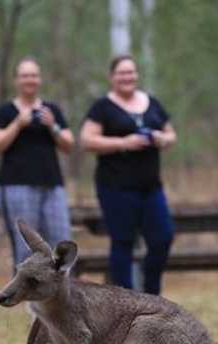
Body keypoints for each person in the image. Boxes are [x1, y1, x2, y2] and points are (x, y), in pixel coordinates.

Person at [80, 54, 177, 295]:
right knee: (122, 242)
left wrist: (160, 138)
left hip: (151, 187)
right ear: (112, 77)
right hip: (116, 187)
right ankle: (124, 299)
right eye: (122, 73)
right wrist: (124, 142)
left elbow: (171, 135)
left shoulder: (151, 102)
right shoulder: (102, 107)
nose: (127, 77)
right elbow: (87, 140)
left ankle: (151, 294)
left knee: (163, 237)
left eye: (131, 72)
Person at [0, 57, 75, 269]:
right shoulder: (6, 111)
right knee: (26, 246)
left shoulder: (50, 110)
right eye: (25, 75)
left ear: (40, 79)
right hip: (17, 186)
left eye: (34, 75)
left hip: (52, 185)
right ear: (16, 80)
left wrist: (52, 126)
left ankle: (59, 299)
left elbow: (69, 145)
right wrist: (18, 124)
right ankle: (25, 298)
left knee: (60, 243)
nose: (30, 80)